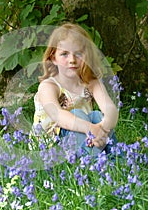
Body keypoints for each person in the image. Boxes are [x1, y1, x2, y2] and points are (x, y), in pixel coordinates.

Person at [32, 23, 119, 157]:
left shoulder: (91, 83)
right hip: (51, 145)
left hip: (88, 137)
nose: (72, 60)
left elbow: (111, 109)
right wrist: (90, 129)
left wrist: (102, 128)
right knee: (77, 113)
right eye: (64, 54)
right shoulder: (48, 86)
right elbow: (59, 117)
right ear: (53, 58)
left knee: (97, 116)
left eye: (78, 54)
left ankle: (114, 159)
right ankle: (94, 163)